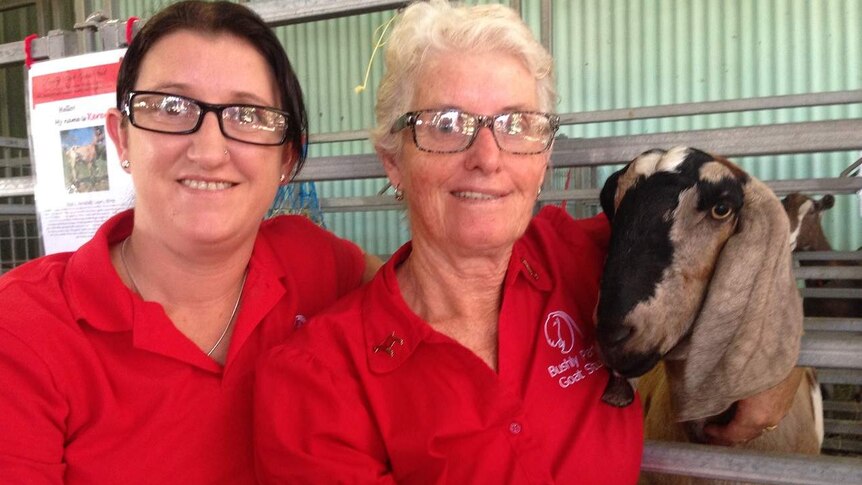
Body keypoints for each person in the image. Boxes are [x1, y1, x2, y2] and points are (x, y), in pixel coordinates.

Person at [254, 1, 805, 483]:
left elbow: (728, 220)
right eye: (446, 124)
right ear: (394, 161)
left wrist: (770, 367)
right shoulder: (317, 383)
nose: (487, 158)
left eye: (517, 125)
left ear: (542, 160)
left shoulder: (588, 256)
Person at [0, 1, 378, 483]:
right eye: (171, 108)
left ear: (287, 158)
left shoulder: (313, 262)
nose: (208, 150)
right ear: (121, 139)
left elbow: (435, 300)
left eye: (248, 115)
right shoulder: (23, 332)